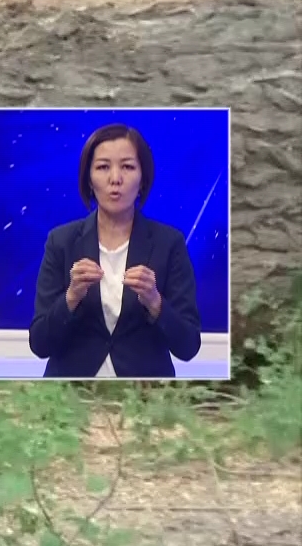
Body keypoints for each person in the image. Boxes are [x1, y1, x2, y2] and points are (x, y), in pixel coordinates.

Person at [27, 122, 202, 378]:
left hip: (143, 390)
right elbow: (39, 344)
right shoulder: (61, 242)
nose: (115, 179)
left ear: (142, 179)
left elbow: (188, 346)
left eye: (128, 167)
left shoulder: (169, 243)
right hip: (71, 388)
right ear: (89, 179)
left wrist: (155, 302)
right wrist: (72, 297)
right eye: (103, 167)